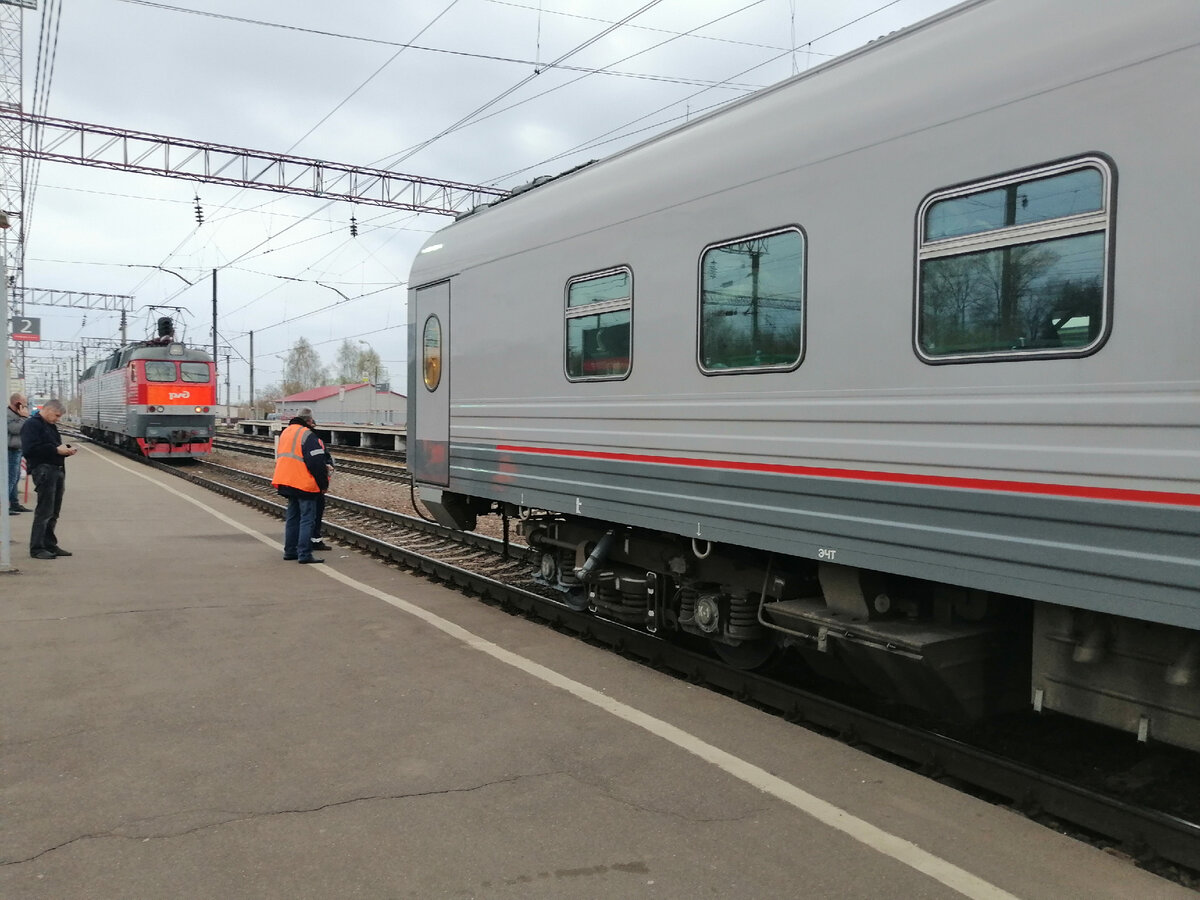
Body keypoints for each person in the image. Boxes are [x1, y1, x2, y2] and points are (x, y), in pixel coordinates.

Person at [20, 398, 77, 560]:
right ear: (48, 410)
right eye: (57, 415)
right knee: (44, 511)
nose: (58, 419)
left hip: (57, 469)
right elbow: (30, 449)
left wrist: (65, 450)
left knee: (53, 511)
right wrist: (56, 450)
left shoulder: (50, 426)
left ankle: (49, 544)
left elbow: (54, 446)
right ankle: (37, 547)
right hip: (44, 470)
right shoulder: (32, 425)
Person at [271, 409, 329, 564]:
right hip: (303, 483)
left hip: (286, 481)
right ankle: (304, 554)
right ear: (309, 421)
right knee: (307, 519)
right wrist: (323, 484)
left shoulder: (286, 432)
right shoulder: (307, 435)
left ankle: (290, 551)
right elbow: (316, 463)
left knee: (292, 518)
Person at [6, 392, 29, 514]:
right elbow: (15, 429)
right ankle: (5, 505)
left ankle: (14, 503)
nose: (25, 407)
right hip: (10, 450)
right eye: (24, 404)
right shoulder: (7, 414)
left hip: (18, 449)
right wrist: (24, 418)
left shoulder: (17, 414)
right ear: (17, 403)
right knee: (10, 478)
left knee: (15, 478)